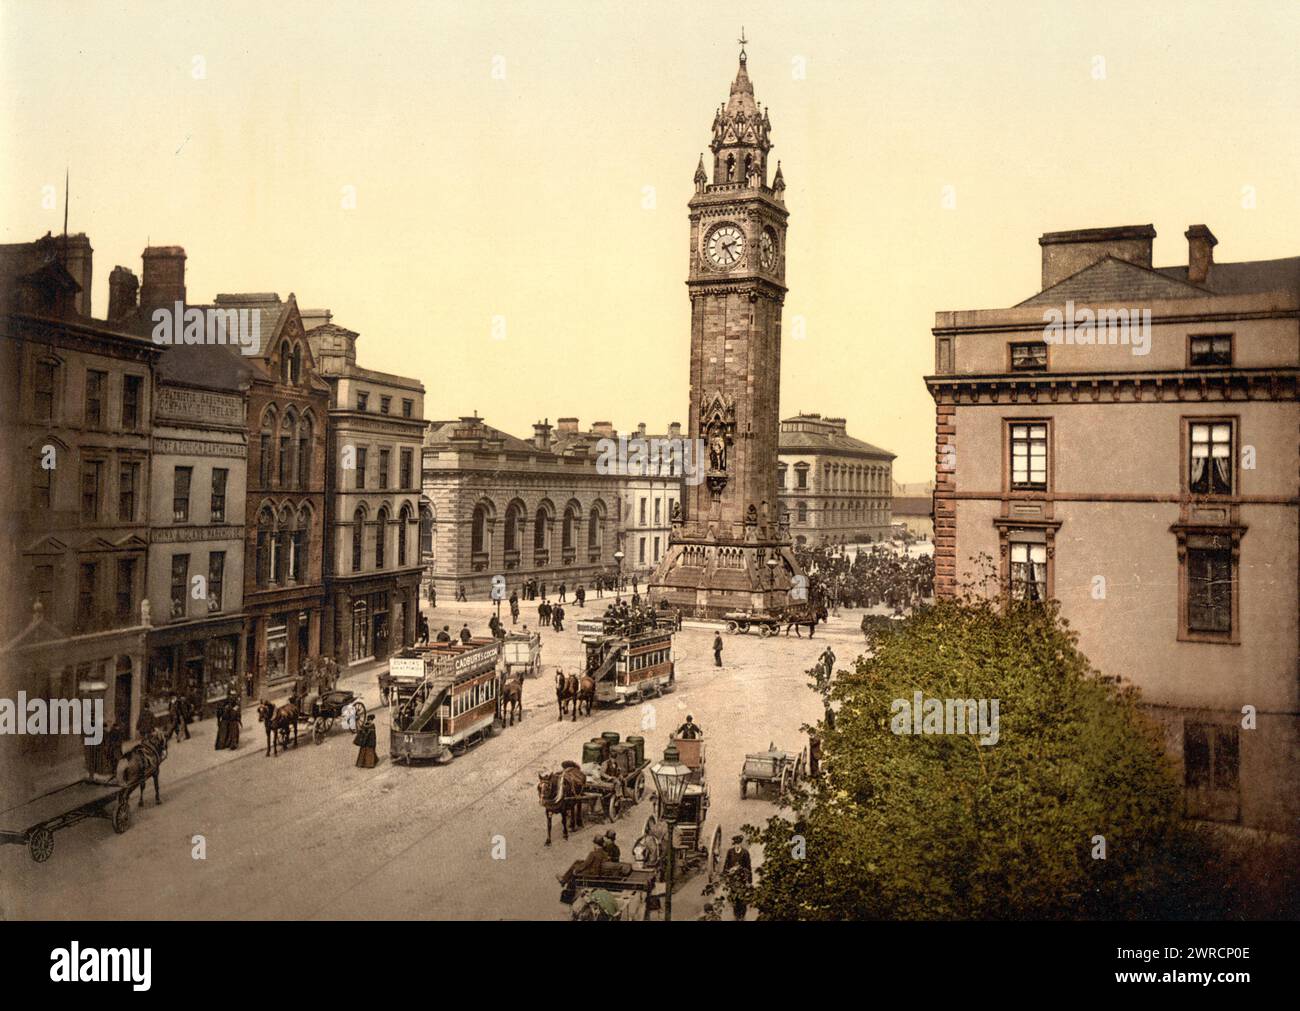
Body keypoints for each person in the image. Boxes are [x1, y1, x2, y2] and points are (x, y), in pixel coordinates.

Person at [722, 835, 753, 920]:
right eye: (735, 844)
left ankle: (742, 915)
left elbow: (748, 867)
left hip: (742, 879)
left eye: (738, 843)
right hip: (733, 879)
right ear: (734, 844)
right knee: (734, 897)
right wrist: (726, 873)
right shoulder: (730, 852)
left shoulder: (745, 853)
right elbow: (726, 864)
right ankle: (736, 915)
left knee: (742, 898)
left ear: (741, 844)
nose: (737, 845)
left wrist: (749, 881)